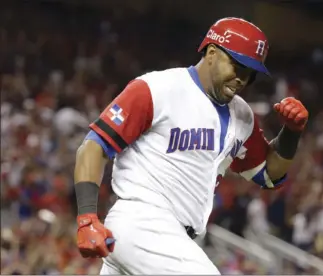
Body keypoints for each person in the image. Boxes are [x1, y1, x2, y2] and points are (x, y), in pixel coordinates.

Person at [74, 17, 308, 274]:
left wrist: (291, 132)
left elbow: (270, 175)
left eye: (250, 72)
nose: (242, 78)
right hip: (142, 223)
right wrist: (87, 217)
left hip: (177, 238)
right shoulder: (157, 88)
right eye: (237, 66)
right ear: (211, 53)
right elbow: (94, 145)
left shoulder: (242, 115)